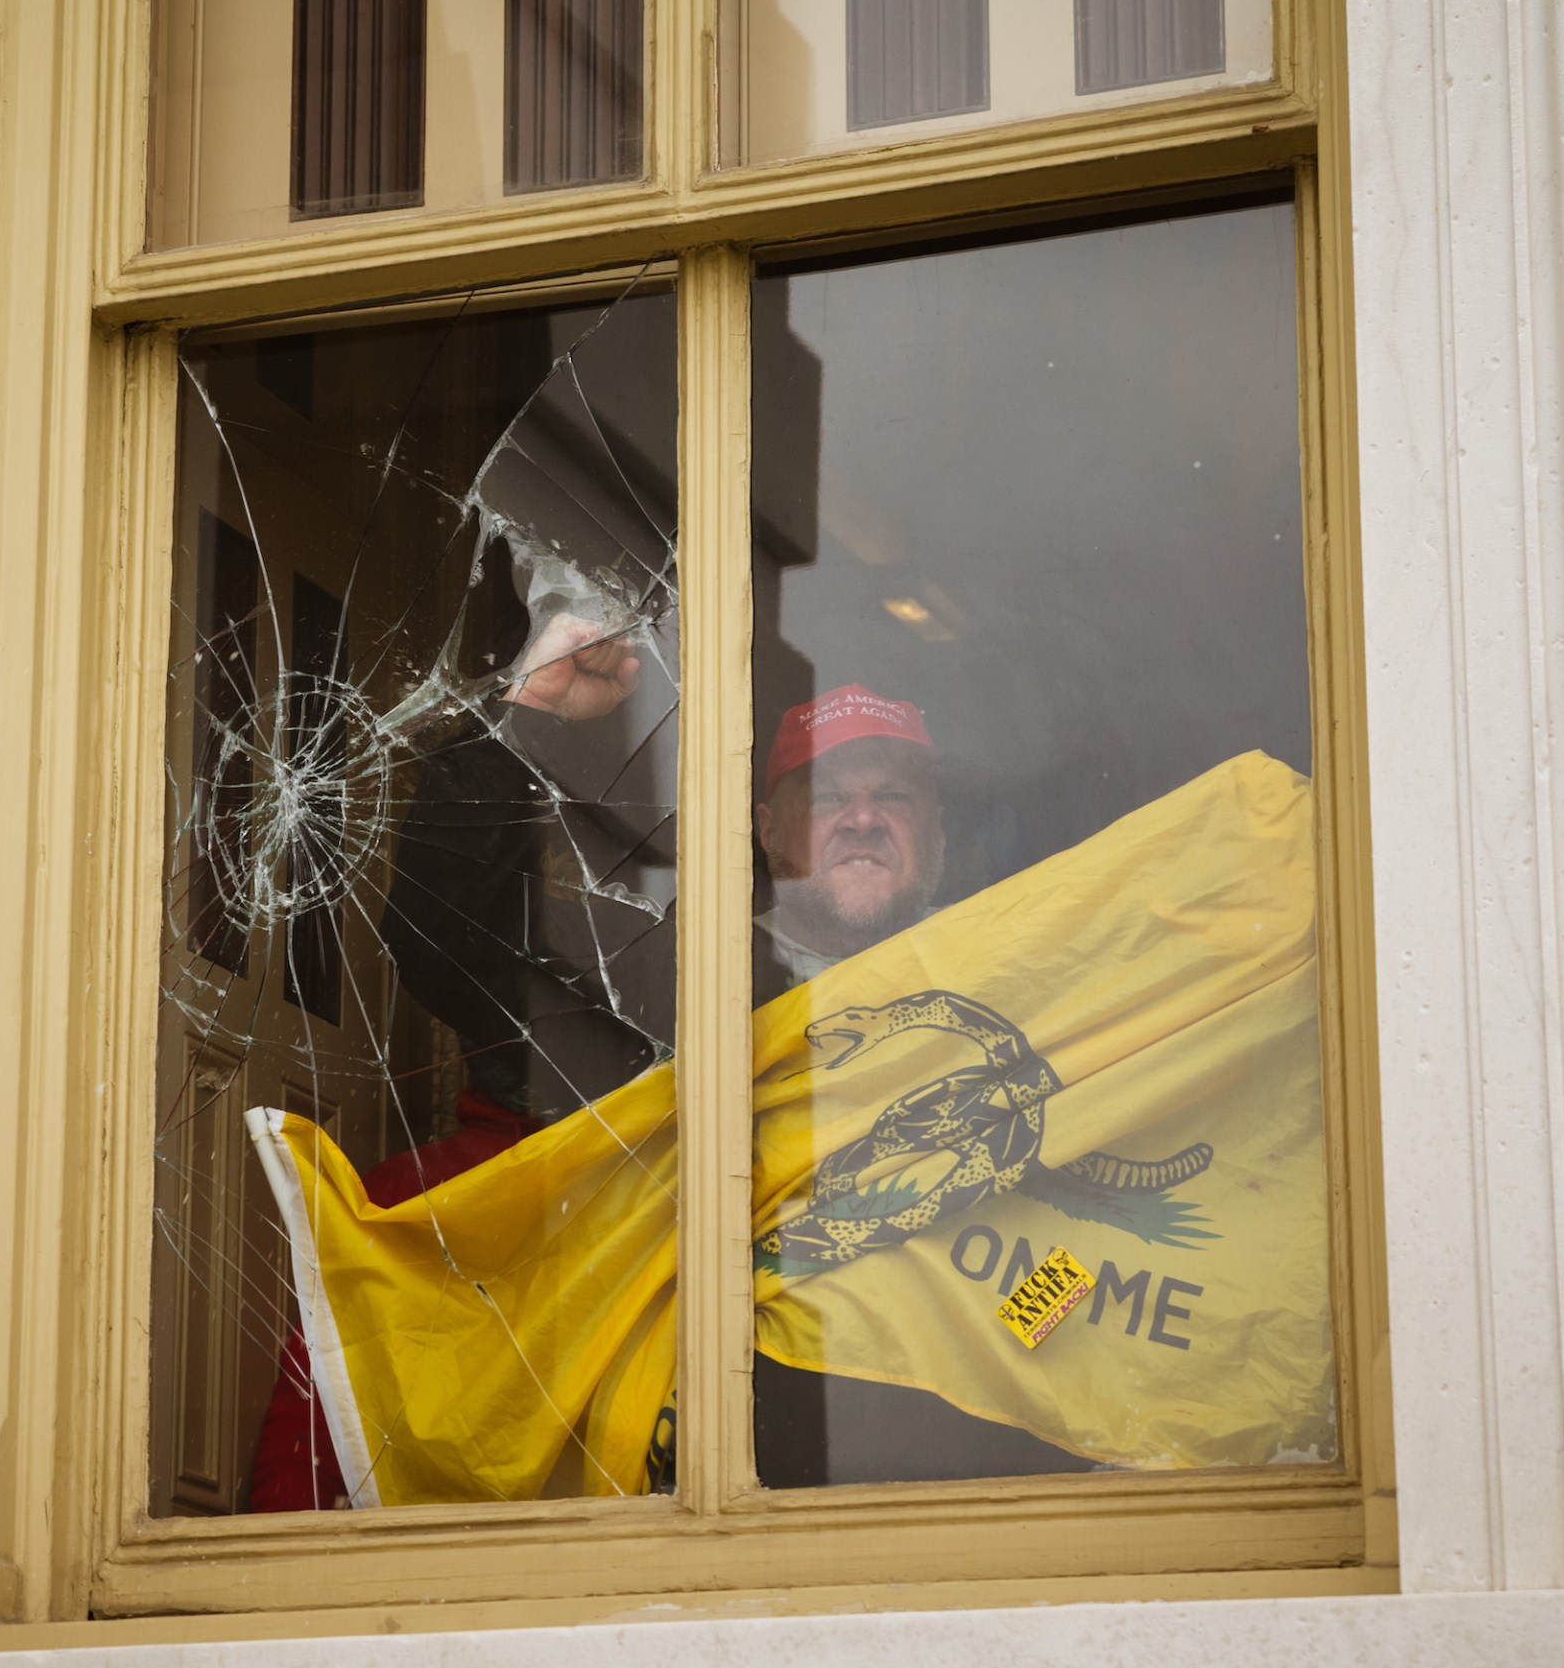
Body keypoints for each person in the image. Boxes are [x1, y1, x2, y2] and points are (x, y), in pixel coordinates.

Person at [248, 613, 1083, 1508]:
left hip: (914, 1485)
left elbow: (1075, 1233)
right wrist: (523, 717)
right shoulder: (661, 971)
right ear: (767, 827)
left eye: (896, 795)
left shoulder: (1003, 1011)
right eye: (830, 794)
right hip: (672, 1469)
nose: (865, 817)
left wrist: (1045, 1335)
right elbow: (446, 939)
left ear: (939, 832)